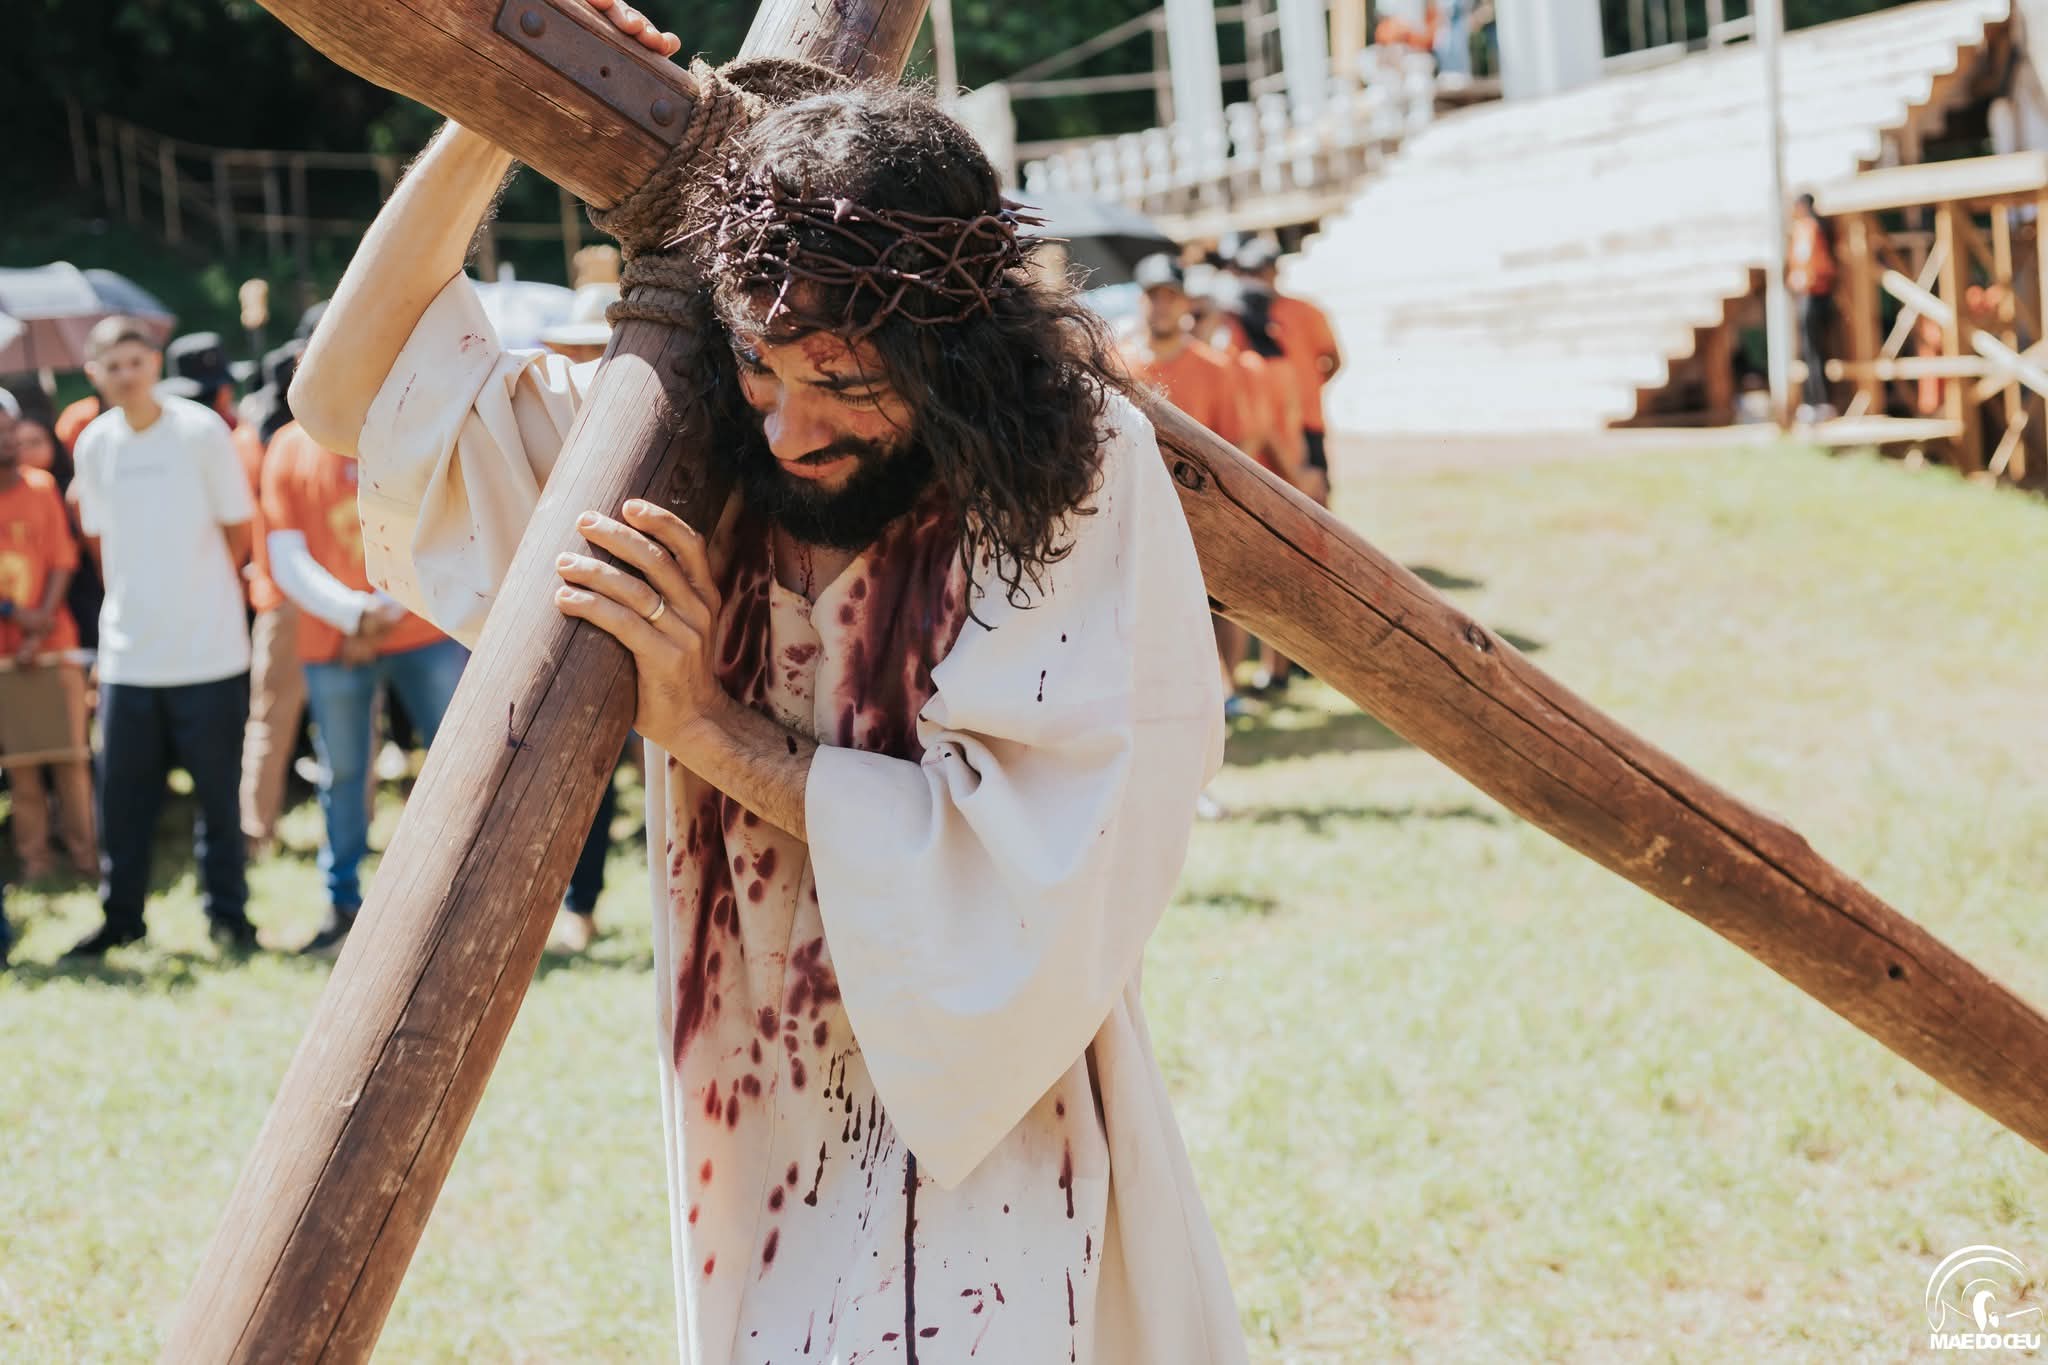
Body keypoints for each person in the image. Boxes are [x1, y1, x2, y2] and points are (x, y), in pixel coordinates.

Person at [291, 61, 1243, 1364]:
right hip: (748, 1108)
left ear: (955, 354)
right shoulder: (679, 447)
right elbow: (347, 399)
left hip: (992, 1107)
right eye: (761, 364)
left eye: (847, 382)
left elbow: (1040, 855)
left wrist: (703, 724)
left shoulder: (1069, 468)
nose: (792, 430)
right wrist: (489, 114)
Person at [66, 316, 258, 957]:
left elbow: (238, 531)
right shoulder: (94, 443)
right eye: (112, 366)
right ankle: (122, 919)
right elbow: (102, 543)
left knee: (218, 800)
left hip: (210, 652)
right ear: (93, 374)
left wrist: (200, 594)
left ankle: (229, 917)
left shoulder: (201, 432)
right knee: (122, 802)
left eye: (135, 362)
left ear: (154, 363)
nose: (125, 375)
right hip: (129, 656)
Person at [261, 418, 467, 955]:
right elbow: (286, 556)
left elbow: (439, 527)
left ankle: (467, 895)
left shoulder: (404, 422)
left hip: (421, 626)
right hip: (333, 637)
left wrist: (378, 612)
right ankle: (342, 904)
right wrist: (353, 616)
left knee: (461, 763)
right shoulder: (288, 447)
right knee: (344, 772)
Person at [1119, 253, 1256, 718]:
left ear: (1185, 303)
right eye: (1153, 296)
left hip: (1203, 507)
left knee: (1218, 600)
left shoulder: (1214, 368)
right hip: (1138, 507)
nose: (1161, 305)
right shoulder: (1119, 365)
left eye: (1170, 296)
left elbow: (1237, 441)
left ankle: (1228, 689)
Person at [0, 413, 96, 881]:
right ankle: (36, 862)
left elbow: (63, 558)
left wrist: (37, 629)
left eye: (8, 428)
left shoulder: (41, 487)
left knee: (71, 759)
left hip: (54, 643)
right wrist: (14, 616)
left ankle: (87, 859)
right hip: (5, 654)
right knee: (22, 766)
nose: (6, 439)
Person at [236, 341, 311, 857]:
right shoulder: (280, 439)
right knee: (273, 718)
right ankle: (255, 828)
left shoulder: (258, 434)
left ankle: (256, 830)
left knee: (271, 719)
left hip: (290, 595)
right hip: (289, 595)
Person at [1232, 239, 1341, 502]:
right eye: (1249, 272)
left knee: (1315, 499)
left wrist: (1308, 389)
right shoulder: (1243, 314)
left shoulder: (1305, 310)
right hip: (1266, 425)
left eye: (1261, 270)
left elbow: (1333, 359)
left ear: (1275, 271)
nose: (1257, 278)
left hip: (1306, 419)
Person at [9, 416, 102, 651]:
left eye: (35, 442)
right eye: (21, 443)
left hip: (65, 618)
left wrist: (41, 621)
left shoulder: (49, 487)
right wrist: (12, 611)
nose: (25, 450)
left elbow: (64, 559)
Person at [1788, 192, 1838, 423]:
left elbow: (1806, 260)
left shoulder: (1808, 228)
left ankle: (1818, 402)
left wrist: (1797, 279)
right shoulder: (1818, 226)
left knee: (1812, 350)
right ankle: (1819, 401)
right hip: (1819, 293)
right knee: (1816, 350)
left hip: (1811, 292)